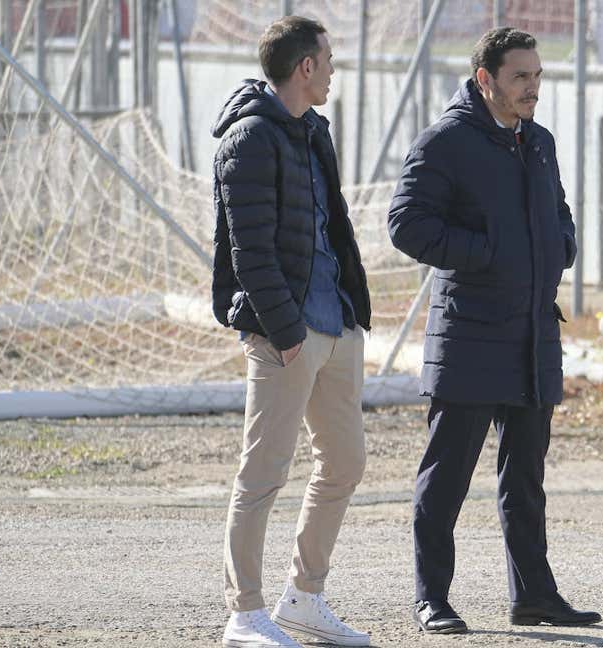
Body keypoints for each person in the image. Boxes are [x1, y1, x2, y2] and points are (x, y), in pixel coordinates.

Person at [387, 27, 601, 635]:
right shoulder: (446, 143)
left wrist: (561, 245)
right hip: (469, 336)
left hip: (533, 332)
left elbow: (558, 212)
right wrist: (487, 252)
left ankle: (534, 596)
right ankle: (431, 597)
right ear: (486, 80)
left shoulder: (539, 142)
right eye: (520, 78)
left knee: (525, 478)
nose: (533, 88)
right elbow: (406, 225)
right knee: (447, 476)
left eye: (537, 75)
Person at [211, 16, 373, 648]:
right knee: (263, 472)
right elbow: (249, 250)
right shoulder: (249, 136)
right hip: (285, 332)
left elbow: (331, 228)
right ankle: (244, 613)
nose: (333, 70)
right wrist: (283, 329)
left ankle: (303, 598)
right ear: (305, 66)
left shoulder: (314, 131)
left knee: (347, 461)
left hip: (334, 325)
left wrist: (351, 314)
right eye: (327, 60)